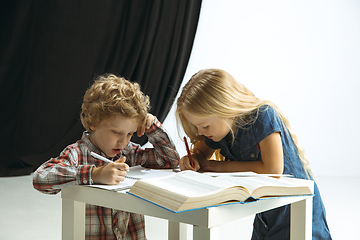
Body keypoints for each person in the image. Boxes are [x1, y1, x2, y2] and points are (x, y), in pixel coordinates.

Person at [176, 68, 332, 240]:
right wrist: (194, 158)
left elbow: (273, 170)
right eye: (197, 127)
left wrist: (219, 167)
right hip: (265, 215)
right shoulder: (220, 131)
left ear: (225, 110)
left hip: (297, 212)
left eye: (205, 126)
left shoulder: (263, 115)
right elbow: (201, 152)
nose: (200, 132)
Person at [33, 73, 179, 240]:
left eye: (130, 134)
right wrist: (93, 174)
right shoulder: (77, 154)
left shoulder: (128, 153)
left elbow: (170, 161)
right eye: (117, 132)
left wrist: (152, 127)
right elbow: (40, 178)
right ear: (93, 122)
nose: (123, 141)